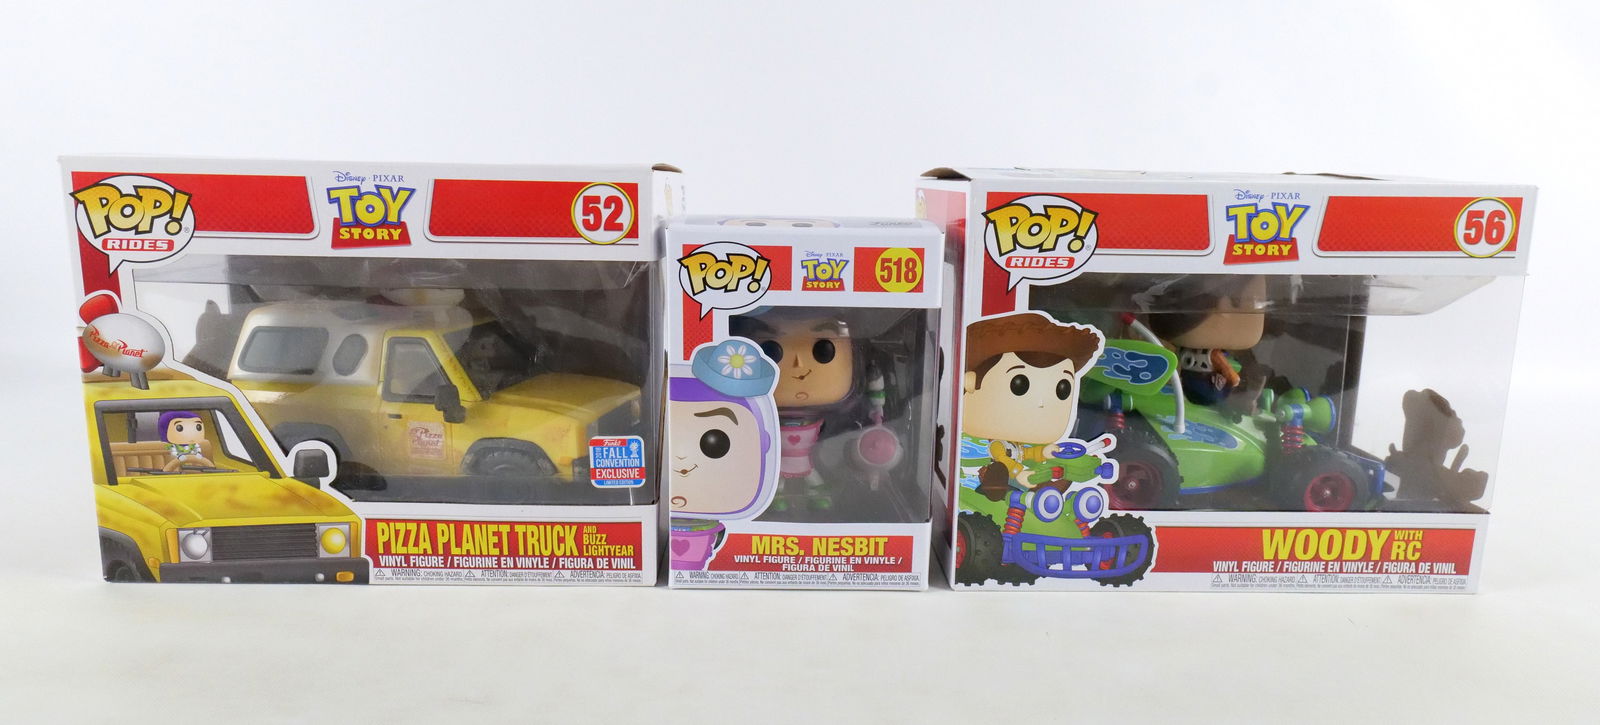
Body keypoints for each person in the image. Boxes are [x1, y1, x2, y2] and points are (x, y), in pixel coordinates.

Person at [959, 312, 1104, 502]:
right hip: (997, 477)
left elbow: (1026, 453)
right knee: (1005, 473)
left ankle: (1050, 492)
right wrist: (1019, 473)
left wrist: (1043, 452)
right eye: (1019, 385)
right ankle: (1019, 495)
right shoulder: (996, 445)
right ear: (970, 382)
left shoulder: (1016, 443)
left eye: (1063, 389)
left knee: (1039, 475)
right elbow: (1004, 460)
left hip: (1016, 475)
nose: (1041, 403)